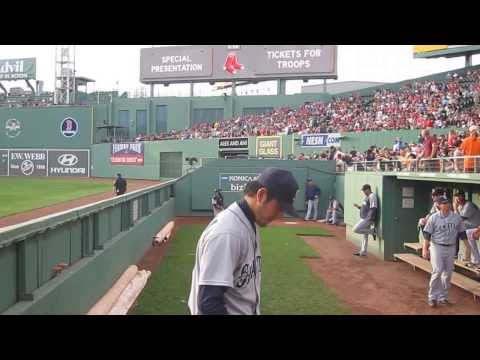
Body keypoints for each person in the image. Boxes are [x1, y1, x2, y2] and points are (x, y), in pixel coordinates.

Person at [188, 167, 299, 315]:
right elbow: (209, 304)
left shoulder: (248, 222)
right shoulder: (228, 233)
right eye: (279, 208)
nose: (280, 216)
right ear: (261, 195)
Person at [422, 195, 467, 307]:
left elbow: (462, 233)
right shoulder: (434, 218)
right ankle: (432, 297)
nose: (446, 204)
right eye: (443, 203)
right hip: (437, 246)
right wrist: (425, 249)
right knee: (437, 271)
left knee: (448, 274)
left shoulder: (456, 217)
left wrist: (468, 248)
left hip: (451, 247)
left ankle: (443, 297)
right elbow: (427, 235)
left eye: (447, 202)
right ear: (438, 205)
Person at [453, 189, 480, 263]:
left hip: (476, 227)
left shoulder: (469, 205)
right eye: (456, 196)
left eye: (459, 196)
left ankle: (475, 259)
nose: (457, 198)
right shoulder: (460, 206)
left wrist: (455, 207)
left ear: (463, 196)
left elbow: (460, 219)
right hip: (469, 227)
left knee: (467, 233)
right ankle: (456, 254)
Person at [352, 184, 378, 256]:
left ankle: (372, 231)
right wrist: (358, 207)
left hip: (367, 219)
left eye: (364, 190)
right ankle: (363, 252)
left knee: (355, 229)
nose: (363, 192)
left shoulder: (372, 196)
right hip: (365, 217)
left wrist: (370, 219)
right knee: (365, 235)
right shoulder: (367, 197)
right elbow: (366, 208)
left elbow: (373, 208)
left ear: (368, 189)